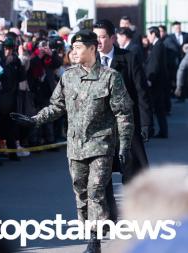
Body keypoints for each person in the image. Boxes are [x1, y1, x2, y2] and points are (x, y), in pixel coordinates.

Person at [11, 30, 134, 253]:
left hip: (101, 145)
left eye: (78, 48)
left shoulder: (110, 77)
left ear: (92, 48)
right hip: (75, 147)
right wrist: (34, 120)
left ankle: (94, 240)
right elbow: (57, 106)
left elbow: (123, 113)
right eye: (72, 48)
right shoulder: (68, 77)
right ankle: (88, 231)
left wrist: (124, 145)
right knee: (81, 192)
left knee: (95, 190)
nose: (73, 52)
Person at [93, 19, 152, 223]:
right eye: (95, 37)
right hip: (100, 130)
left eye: (102, 37)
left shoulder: (128, 58)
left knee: (133, 172)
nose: (98, 42)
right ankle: (110, 216)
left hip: (127, 126)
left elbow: (141, 93)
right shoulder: (90, 61)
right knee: (102, 174)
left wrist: (145, 124)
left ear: (112, 37)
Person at [145, 26, 169, 138]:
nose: (148, 37)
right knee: (159, 108)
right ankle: (162, 131)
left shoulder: (158, 46)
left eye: (149, 34)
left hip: (156, 83)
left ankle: (159, 131)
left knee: (156, 108)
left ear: (153, 34)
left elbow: (154, 65)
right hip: (159, 82)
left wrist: (149, 79)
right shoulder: (157, 45)